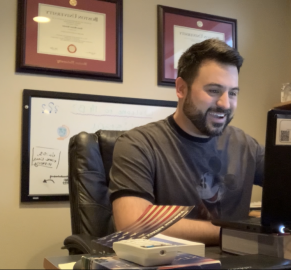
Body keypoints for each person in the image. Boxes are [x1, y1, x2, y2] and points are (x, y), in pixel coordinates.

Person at [109, 39, 264, 246]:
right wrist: (235, 233)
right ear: (181, 88)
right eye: (214, 91)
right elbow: (132, 225)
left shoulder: (245, 145)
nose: (225, 104)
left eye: (233, 93)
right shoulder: (139, 145)